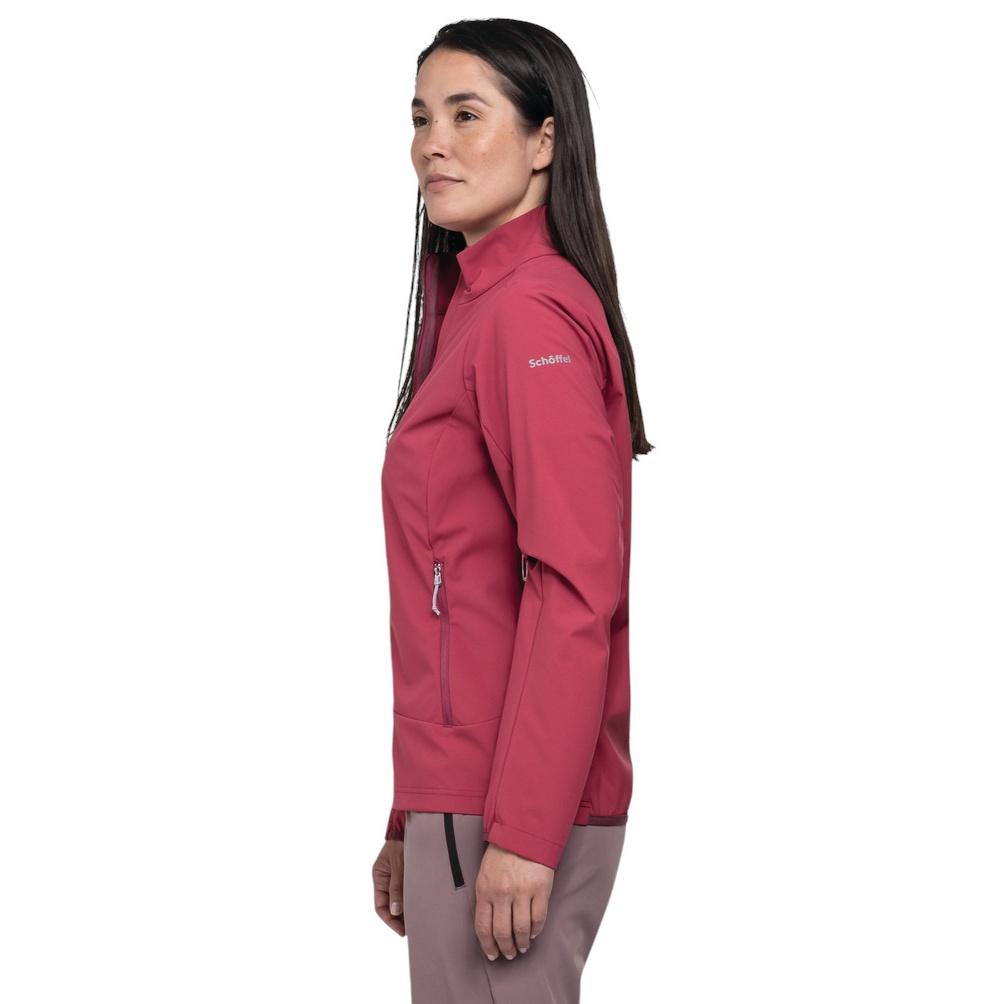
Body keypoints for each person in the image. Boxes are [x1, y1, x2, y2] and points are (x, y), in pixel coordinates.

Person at [372, 18, 652, 1003]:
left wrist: (526, 832)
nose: (431, 144)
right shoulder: (472, 307)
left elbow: (574, 588)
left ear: (543, 141)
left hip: (511, 802)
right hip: (465, 797)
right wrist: (412, 809)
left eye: (465, 115)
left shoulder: (528, 311)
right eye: (419, 118)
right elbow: (455, 591)